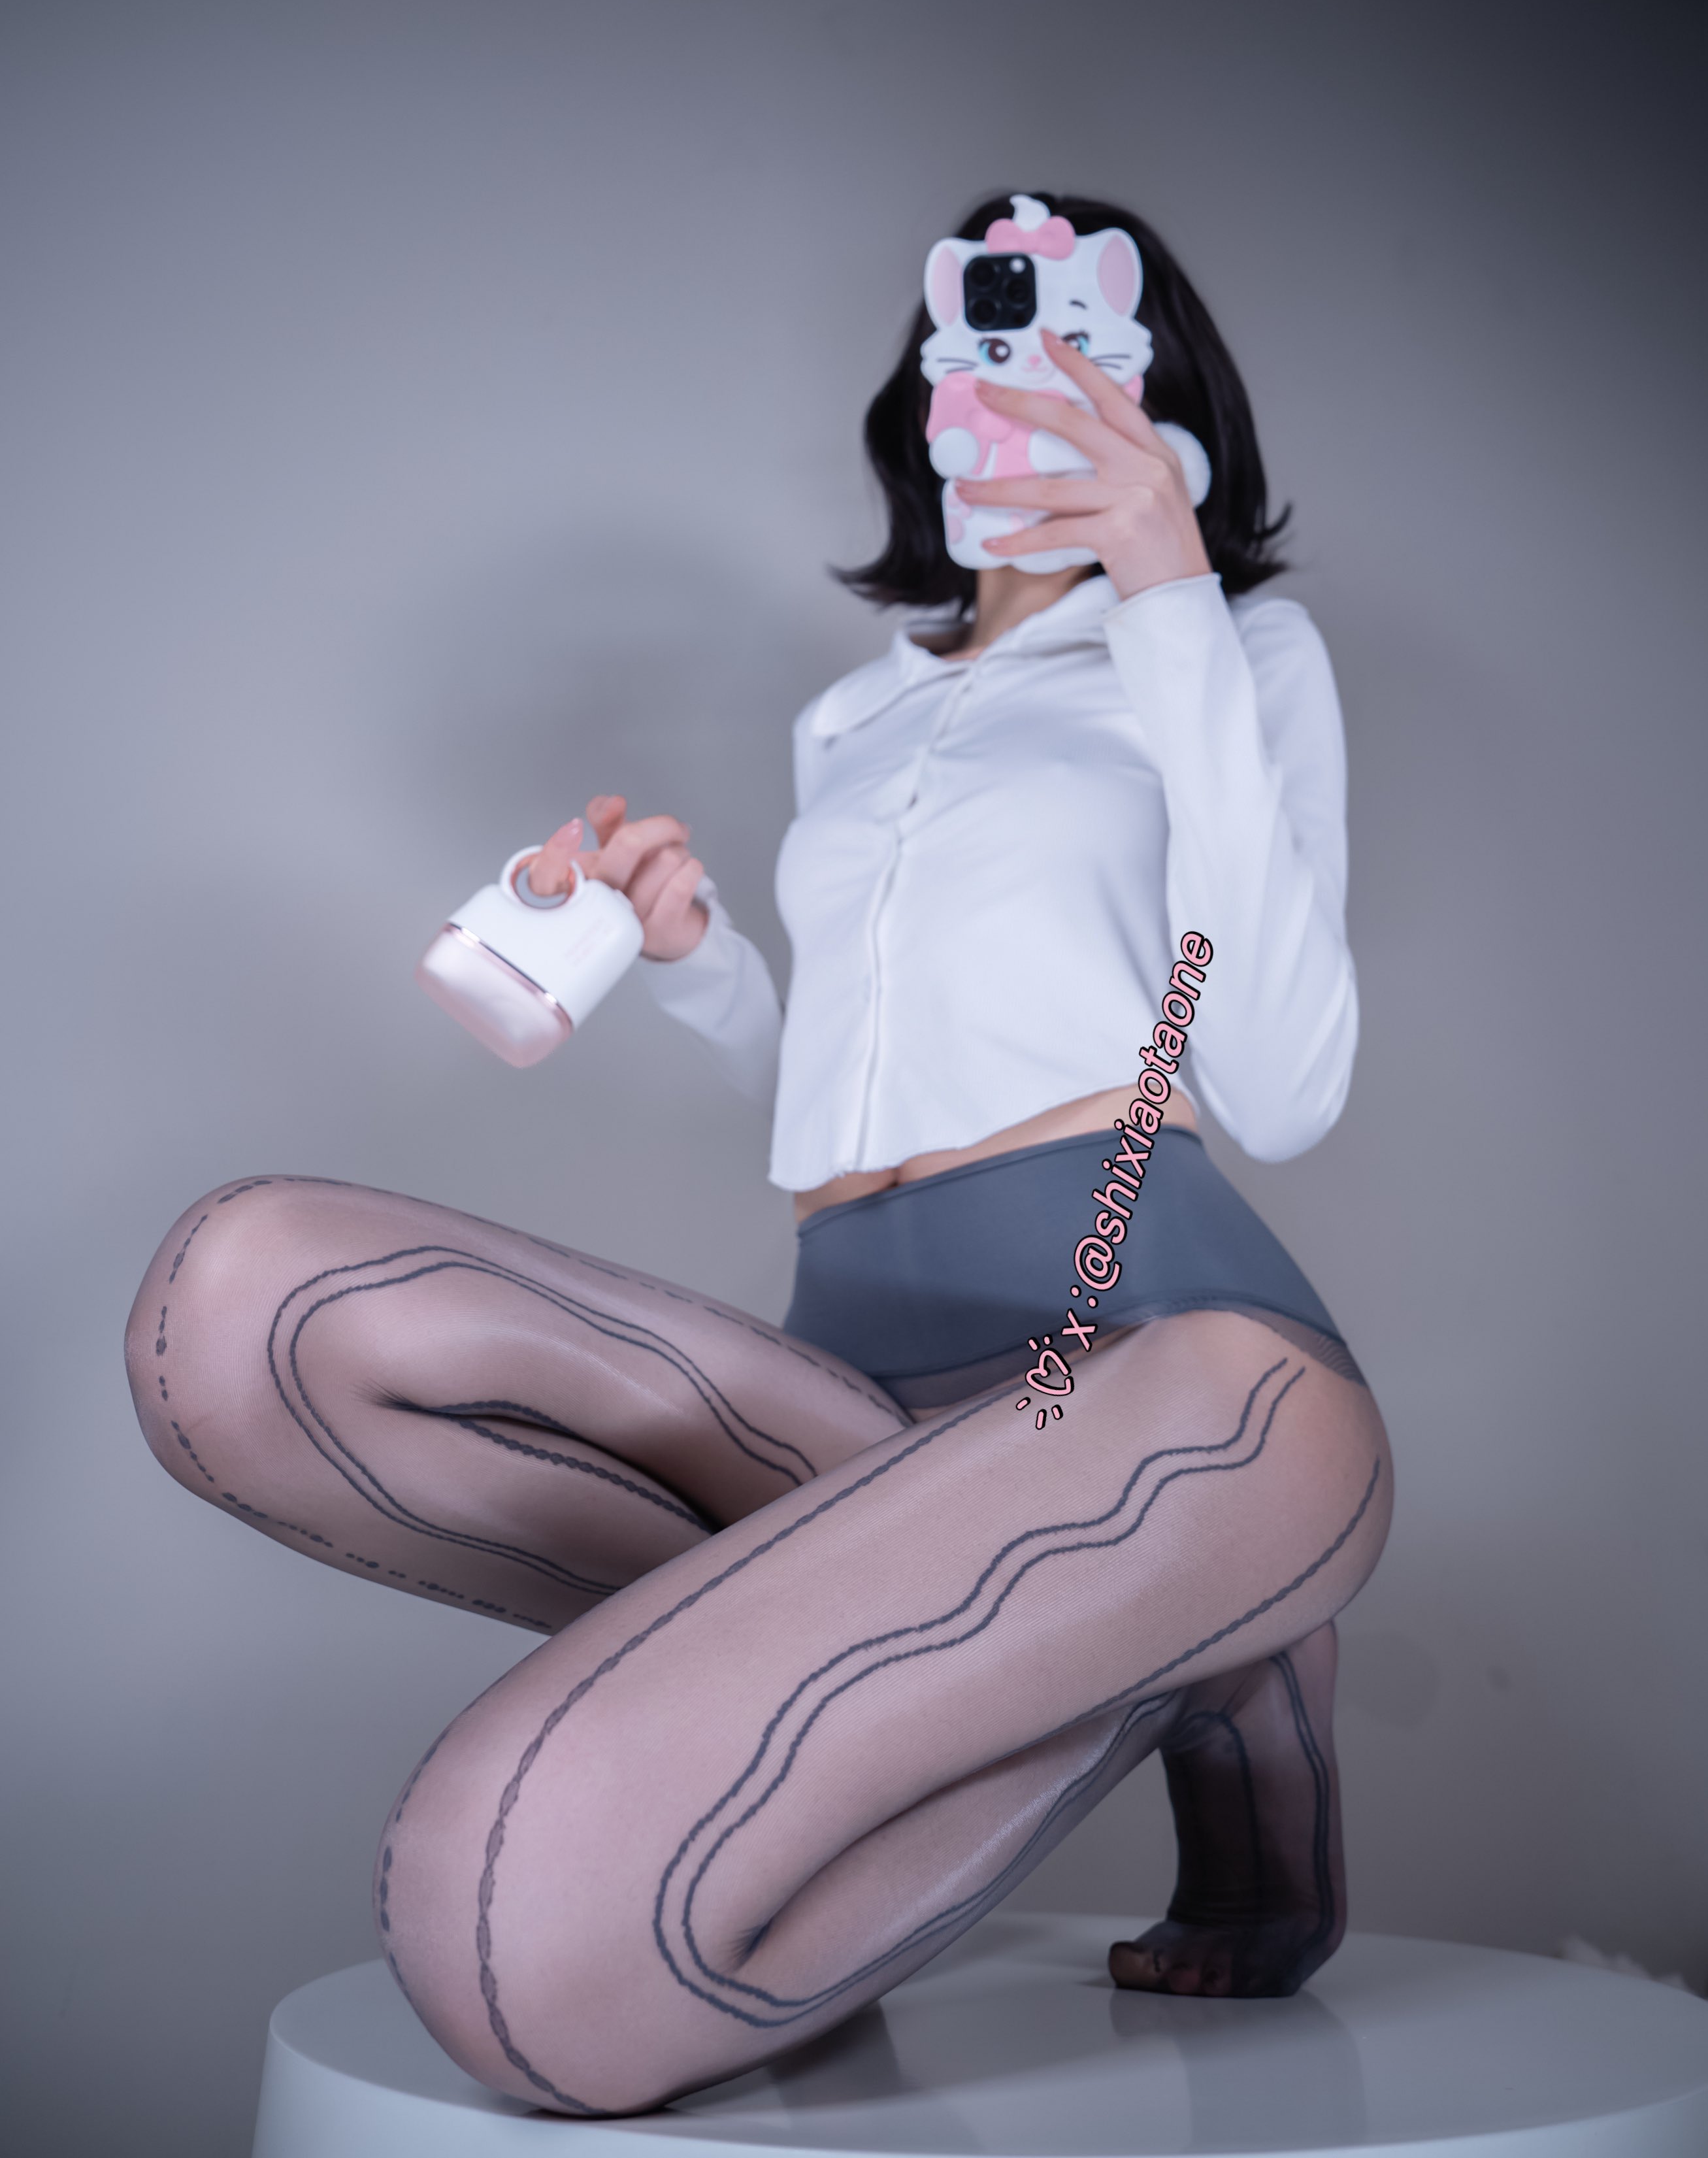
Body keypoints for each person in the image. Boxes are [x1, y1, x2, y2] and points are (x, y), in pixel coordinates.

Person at [125, 191, 1390, 2119]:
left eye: (1065, 370)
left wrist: (1170, 603)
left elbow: (1279, 1080)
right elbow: (844, 1096)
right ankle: (1185, 1659)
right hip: (855, 1373)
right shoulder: (854, 714)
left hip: (1122, 1339)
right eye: (975, 366)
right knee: (239, 1312)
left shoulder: (1232, 655)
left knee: (522, 1933)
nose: (1009, 404)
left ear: (1155, 409)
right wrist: (697, 959)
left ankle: (1206, 1614)